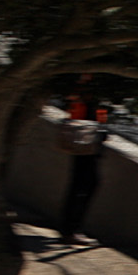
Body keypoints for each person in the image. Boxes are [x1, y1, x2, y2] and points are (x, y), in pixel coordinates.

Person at [55, 91, 109, 244]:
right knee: (84, 185)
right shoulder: (90, 87)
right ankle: (70, 230)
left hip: (86, 139)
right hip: (85, 139)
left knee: (82, 184)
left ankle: (69, 229)